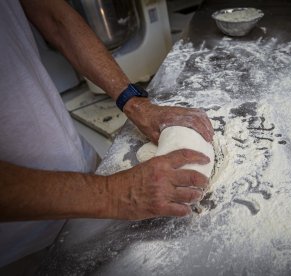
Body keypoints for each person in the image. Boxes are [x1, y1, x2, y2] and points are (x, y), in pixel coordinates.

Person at [0, 0, 214, 267]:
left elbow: (54, 17)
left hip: (83, 176)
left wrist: (134, 102)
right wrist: (115, 194)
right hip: (16, 245)